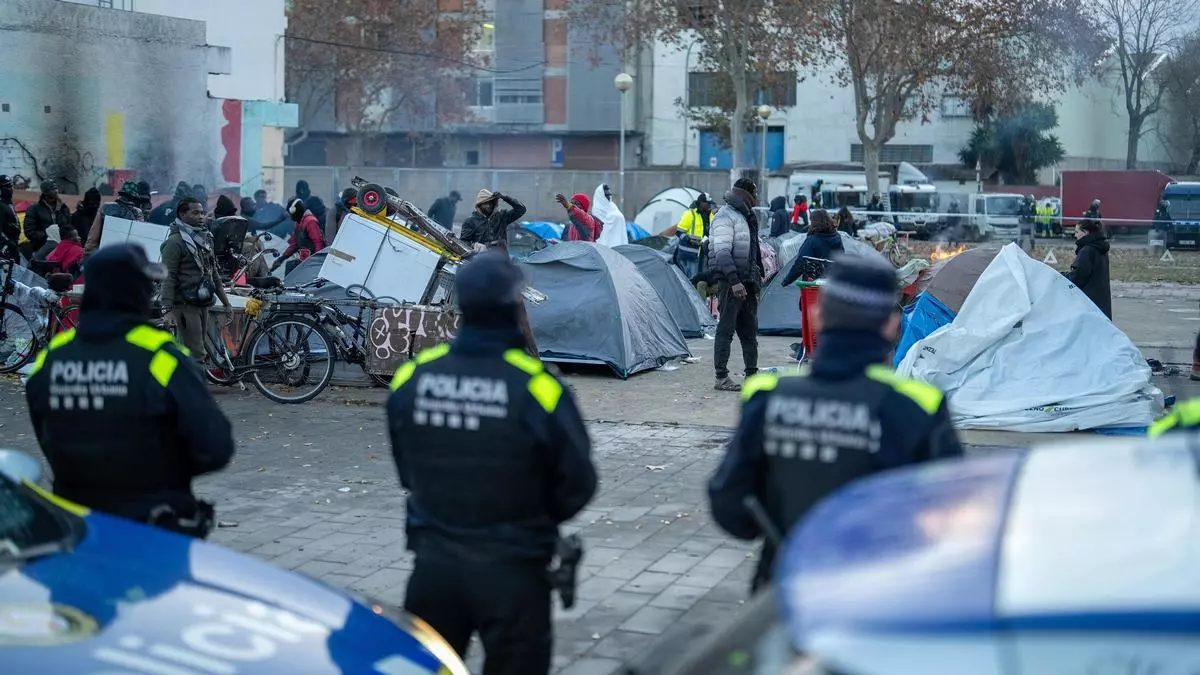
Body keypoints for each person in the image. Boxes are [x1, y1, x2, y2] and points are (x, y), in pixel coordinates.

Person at [387, 250, 596, 674]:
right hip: (514, 574)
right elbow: (579, 484)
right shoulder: (538, 387)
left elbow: (406, 465)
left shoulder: (413, 376)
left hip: (434, 568)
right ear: (514, 303)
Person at [708, 254, 964, 592]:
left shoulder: (767, 394)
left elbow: (728, 502)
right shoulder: (919, 406)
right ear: (891, 324)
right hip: (878, 597)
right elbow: (948, 518)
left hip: (784, 591)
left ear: (818, 316)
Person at [24, 243, 234, 536]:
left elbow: (46, 434)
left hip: (76, 530)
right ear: (136, 292)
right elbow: (216, 448)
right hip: (152, 531)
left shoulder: (50, 359)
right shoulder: (161, 357)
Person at [160, 197, 233, 358]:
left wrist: (226, 303)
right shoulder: (175, 243)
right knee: (196, 355)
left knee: (197, 353)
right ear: (182, 214)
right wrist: (167, 310)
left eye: (202, 213)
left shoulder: (205, 239)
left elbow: (213, 274)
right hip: (185, 306)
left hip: (203, 303)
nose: (201, 216)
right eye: (195, 213)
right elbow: (168, 277)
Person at [709, 177, 763, 392]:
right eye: (754, 194)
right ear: (745, 194)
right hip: (731, 283)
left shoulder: (746, 216)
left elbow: (753, 252)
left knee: (749, 331)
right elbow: (722, 252)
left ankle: (752, 374)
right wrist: (734, 281)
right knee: (726, 329)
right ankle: (721, 377)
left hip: (747, 281)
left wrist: (756, 279)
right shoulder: (725, 216)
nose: (756, 198)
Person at [779, 209, 843, 287]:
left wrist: (786, 281)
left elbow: (800, 263)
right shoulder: (837, 237)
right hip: (832, 282)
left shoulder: (812, 240)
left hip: (813, 284)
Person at [1067, 218, 1111, 319]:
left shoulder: (1087, 250)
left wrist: (1060, 276)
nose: (1075, 235)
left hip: (1088, 301)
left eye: (1077, 232)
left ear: (1085, 233)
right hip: (1100, 300)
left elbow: (1078, 277)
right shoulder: (1100, 247)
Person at [86, 181, 145, 256]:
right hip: (126, 257)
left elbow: (93, 237)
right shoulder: (137, 213)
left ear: (121, 194)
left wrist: (87, 255)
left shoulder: (106, 208)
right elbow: (139, 240)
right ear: (134, 198)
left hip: (105, 254)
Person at [271, 198, 326, 274]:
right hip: (305, 259)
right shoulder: (298, 223)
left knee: (291, 268)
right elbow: (294, 244)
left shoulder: (310, 221)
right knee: (290, 266)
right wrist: (281, 258)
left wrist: (317, 262)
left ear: (294, 211)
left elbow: (318, 242)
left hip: (313, 261)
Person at [460, 189, 527, 250]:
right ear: (479, 205)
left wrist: (504, 197)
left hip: (500, 257)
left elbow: (521, 209)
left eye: (490, 203)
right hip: (480, 257)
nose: (488, 206)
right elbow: (462, 242)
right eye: (485, 203)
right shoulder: (470, 221)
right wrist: (475, 245)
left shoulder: (502, 216)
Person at [21, 180, 71, 262]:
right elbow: (29, 231)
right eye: (52, 189)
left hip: (63, 247)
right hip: (42, 247)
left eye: (56, 188)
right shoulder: (34, 209)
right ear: (45, 193)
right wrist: (47, 237)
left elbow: (70, 226)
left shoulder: (63, 208)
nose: (56, 191)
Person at [0, 175, 19, 261]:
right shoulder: (1, 206)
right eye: (7, 186)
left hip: (14, 245)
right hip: (5, 248)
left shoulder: (8, 203)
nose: (11, 189)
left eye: (11, 186)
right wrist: (8, 242)